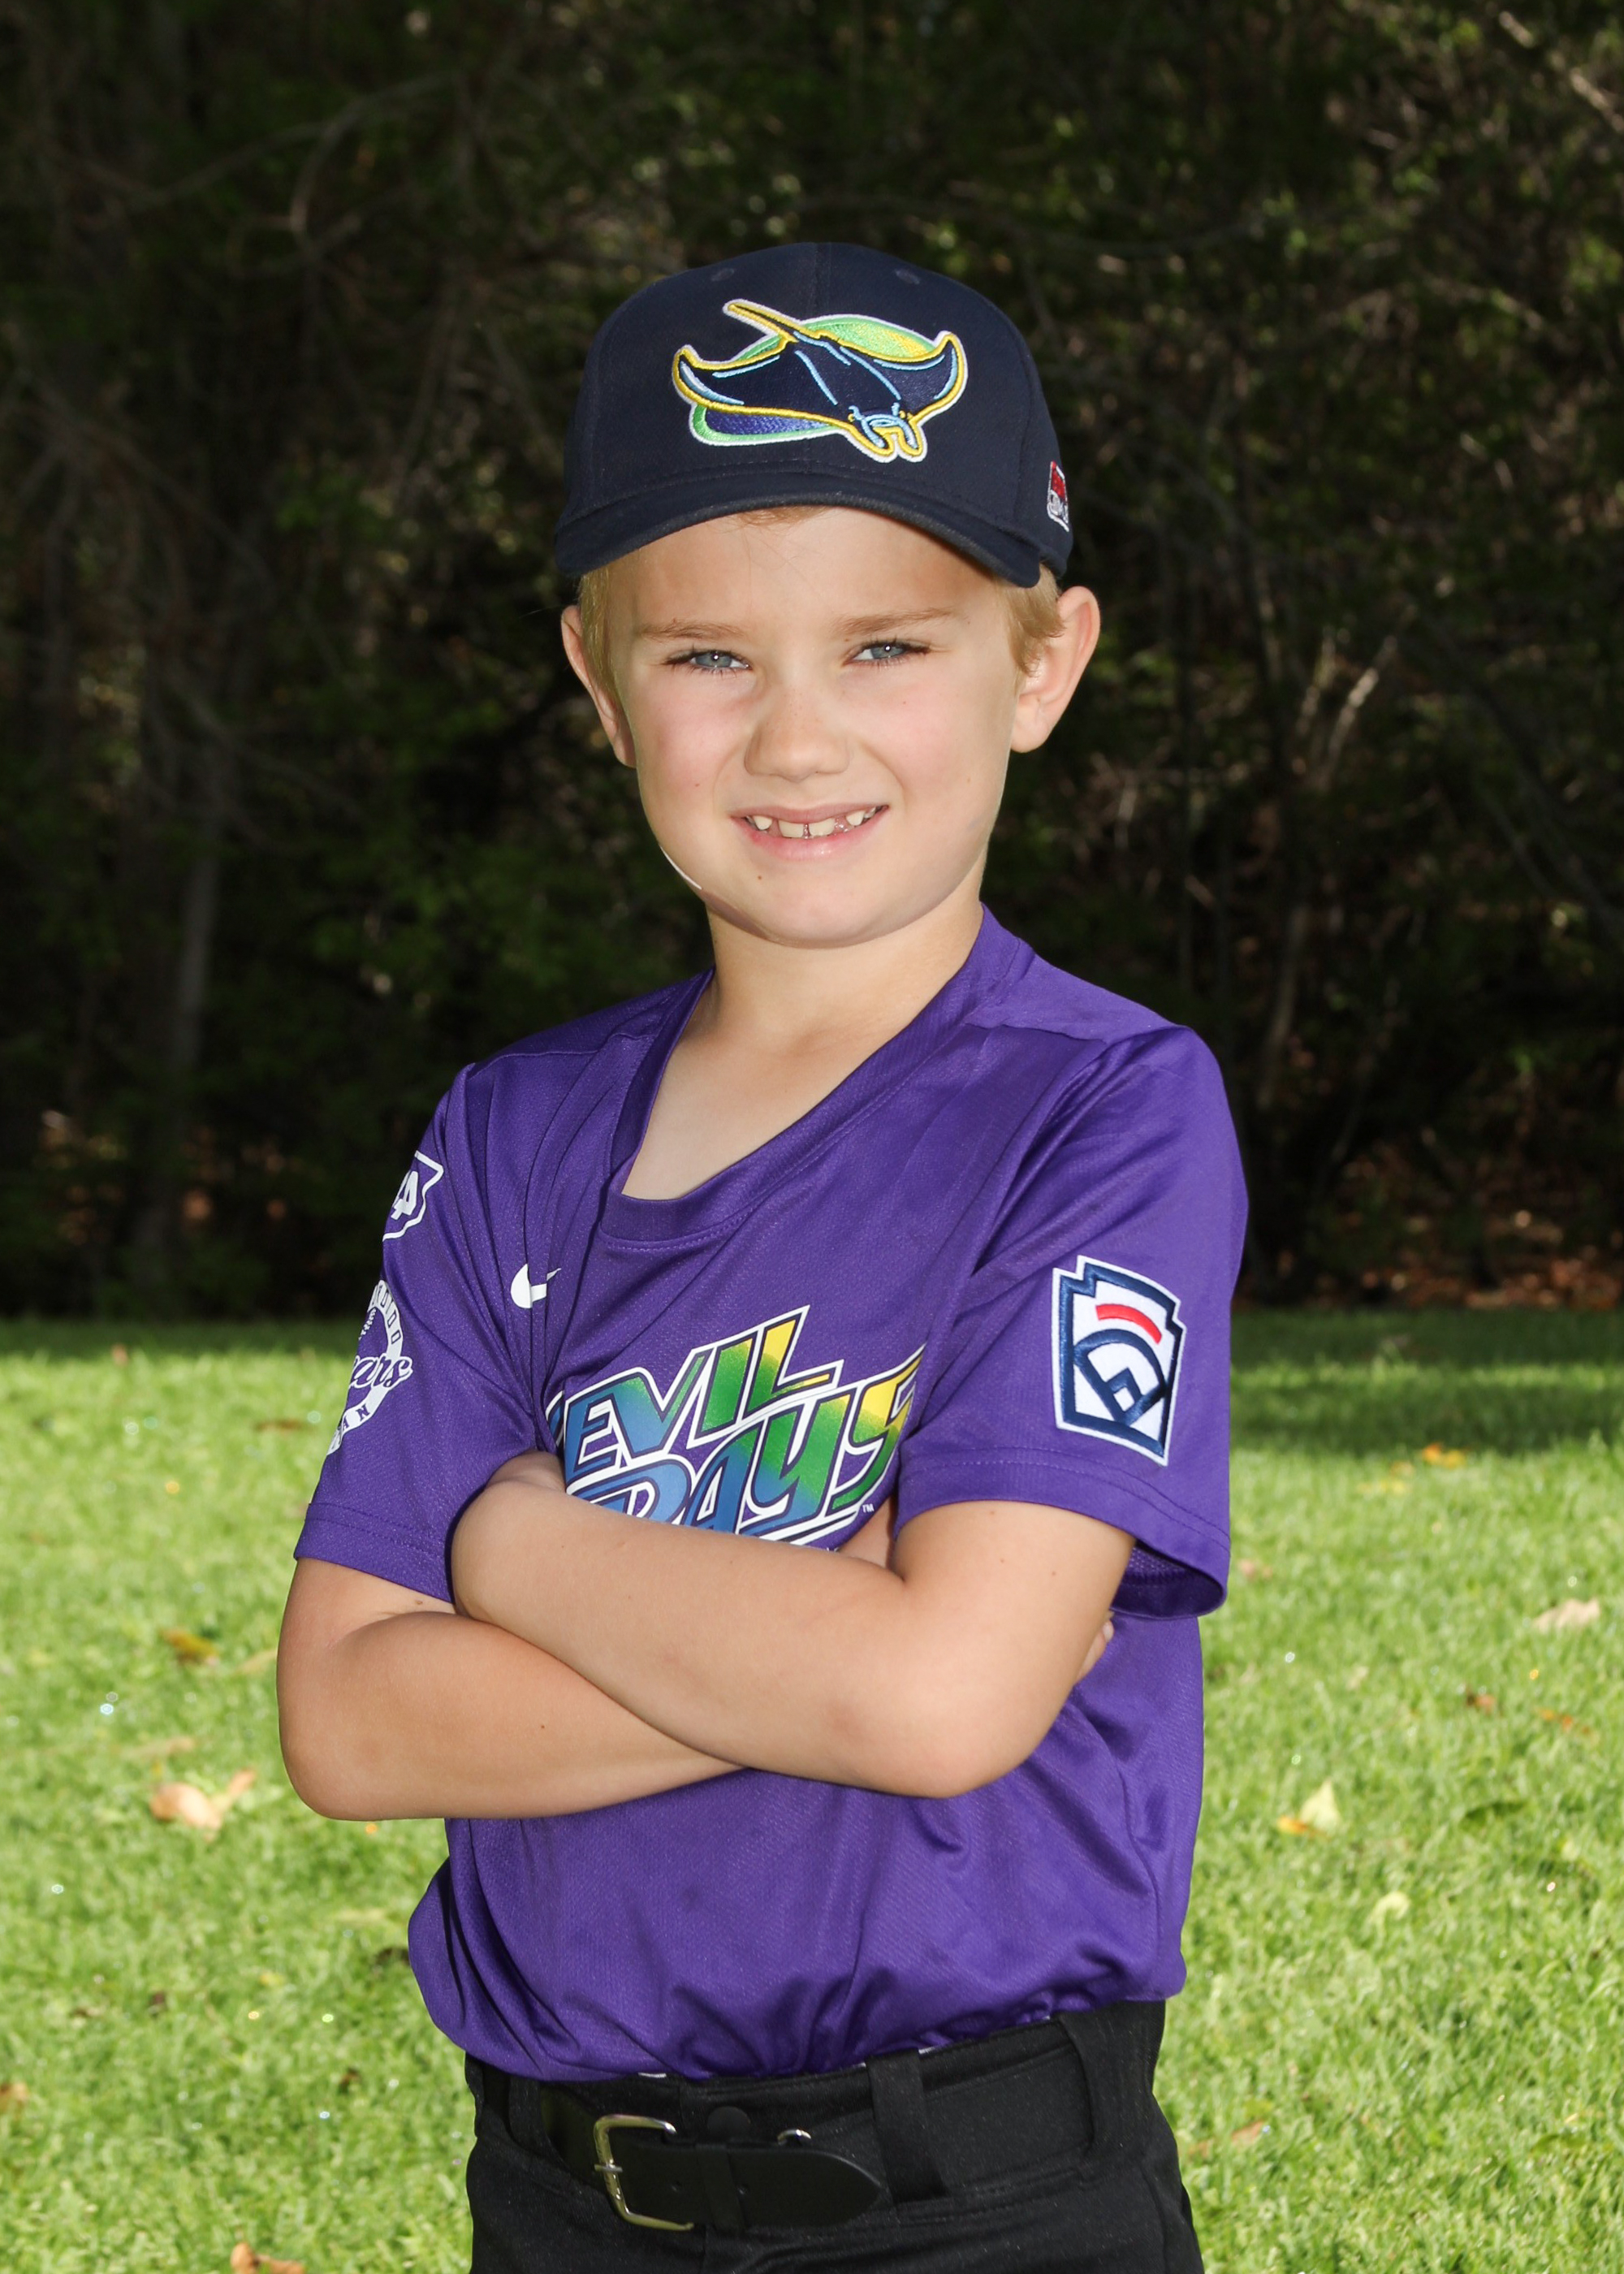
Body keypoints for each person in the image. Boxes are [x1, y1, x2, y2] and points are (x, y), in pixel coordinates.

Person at [277, 240, 1245, 2273]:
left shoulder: (1104, 1109)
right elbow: (352, 1721)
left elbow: (948, 1697)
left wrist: (514, 1546)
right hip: (566, 2193)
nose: (798, 738)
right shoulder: (514, 1130)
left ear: (1041, 663)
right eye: (710, 656)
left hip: (986, 2198)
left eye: (886, 645)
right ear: (598, 683)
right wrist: (847, 1632)